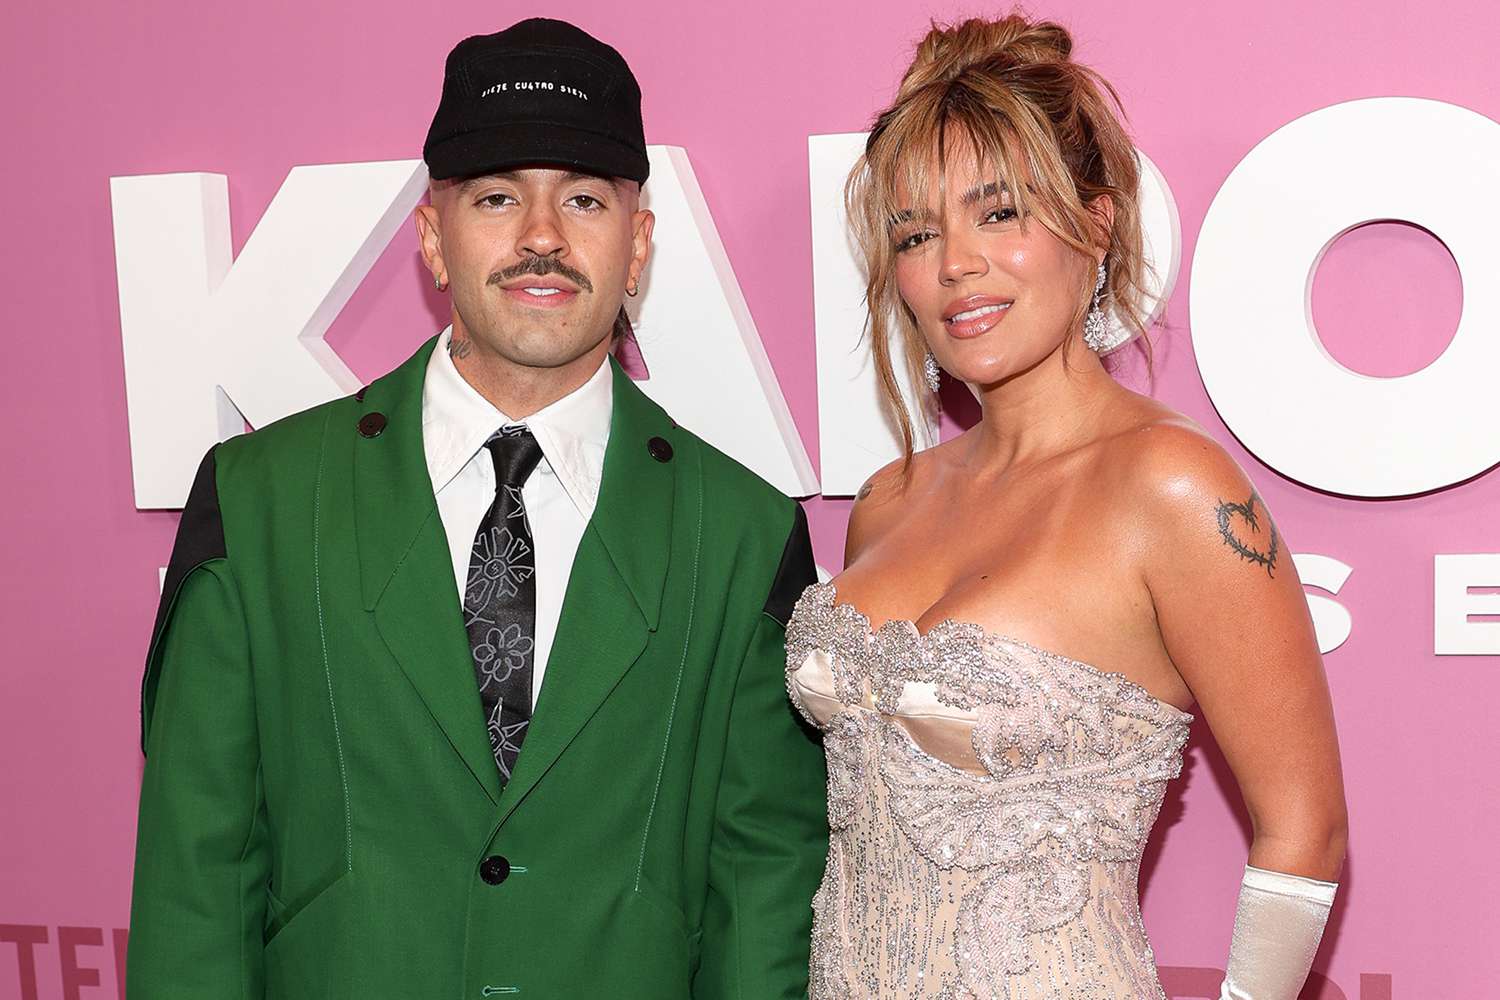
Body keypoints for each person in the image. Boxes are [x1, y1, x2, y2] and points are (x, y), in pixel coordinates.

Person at [127, 18, 826, 999]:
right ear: (431, 238)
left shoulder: (743, 535)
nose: (541, 236)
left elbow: (762, 905)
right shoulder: (259, 504)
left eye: (583, 199)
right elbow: (195, 889)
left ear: (638, 246)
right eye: (498, 197)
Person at [785, 13, 1347, 999]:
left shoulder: (1170, 486)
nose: (956, 263)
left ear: (1097, 221)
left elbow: (1307, 829)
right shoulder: (889, 499)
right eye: (916, 233)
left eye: (999, 213)